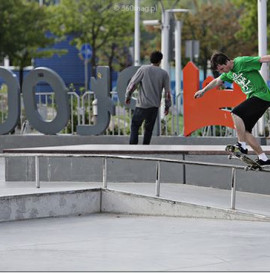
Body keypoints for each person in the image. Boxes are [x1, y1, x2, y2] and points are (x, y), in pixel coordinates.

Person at [194, 52, 270, 165]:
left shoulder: (242, 62)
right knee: (244, 131)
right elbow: (216, 81)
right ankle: (263, 158)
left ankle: (241, 145)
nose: (222, 71)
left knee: (236, 113)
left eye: (222, 68)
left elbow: (263, 59)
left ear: (227, 62)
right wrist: (203, 91)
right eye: (219, 70)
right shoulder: (229, 73)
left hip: (261, 96)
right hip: (256, 99)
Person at [125, 51, 171, 144]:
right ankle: (145, 148)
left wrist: (128, 96)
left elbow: (133, 84)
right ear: (160, 61)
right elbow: (167, 93)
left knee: (135, 126)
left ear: (150, 59)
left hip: (142, 105)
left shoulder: (143, 69)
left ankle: (133, 148)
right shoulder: (164, 74)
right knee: (149, 129)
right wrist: (167, 106)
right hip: (154, 107)